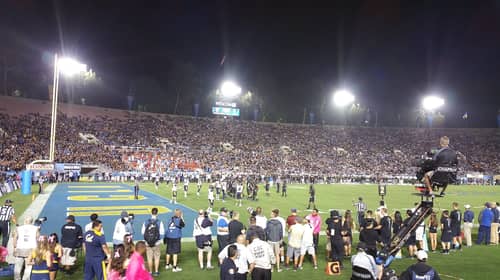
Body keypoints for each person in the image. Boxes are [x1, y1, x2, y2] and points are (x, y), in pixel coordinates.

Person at [13, 216, 39, 280]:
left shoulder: (19, 228)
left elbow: (15, 238)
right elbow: (38, 238)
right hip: (31, 249)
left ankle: (17, 279)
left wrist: (15, 247)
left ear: (25, 221)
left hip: (20, 248)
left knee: (17, 267)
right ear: (32, 221)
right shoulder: (36, 228)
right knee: (28, 267)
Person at [141, 207, 165, 277]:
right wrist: (158, 240)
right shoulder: (159, 222)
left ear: (151, 213)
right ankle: (156, 271)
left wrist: (147, 239)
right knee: (157, 257)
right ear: (157, 213)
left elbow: (142, 232)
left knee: (149, 257)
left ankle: (150, 271)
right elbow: (162, 233)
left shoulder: (146, 221)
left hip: (148, 243)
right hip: (156, 242)